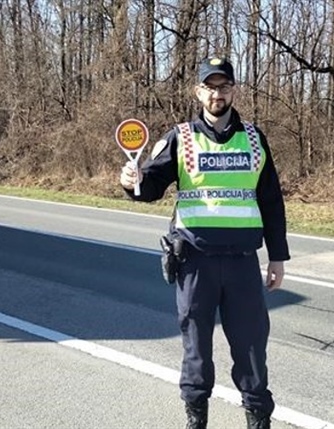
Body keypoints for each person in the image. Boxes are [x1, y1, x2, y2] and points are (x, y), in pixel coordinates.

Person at [119, 57, 290, 429]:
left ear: (233, 90)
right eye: (210, 87)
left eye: (224, 86)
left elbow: (272, 201)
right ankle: (196, 420)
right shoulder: (180, 137)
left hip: (244, 263)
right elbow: (148, 187)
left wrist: (277, 257)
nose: (217, 93)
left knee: (251, 348)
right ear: (199, 92)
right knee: (197, 351)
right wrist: (130, 179)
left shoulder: (255, 139)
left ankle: (258, 419)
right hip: (195, 263)